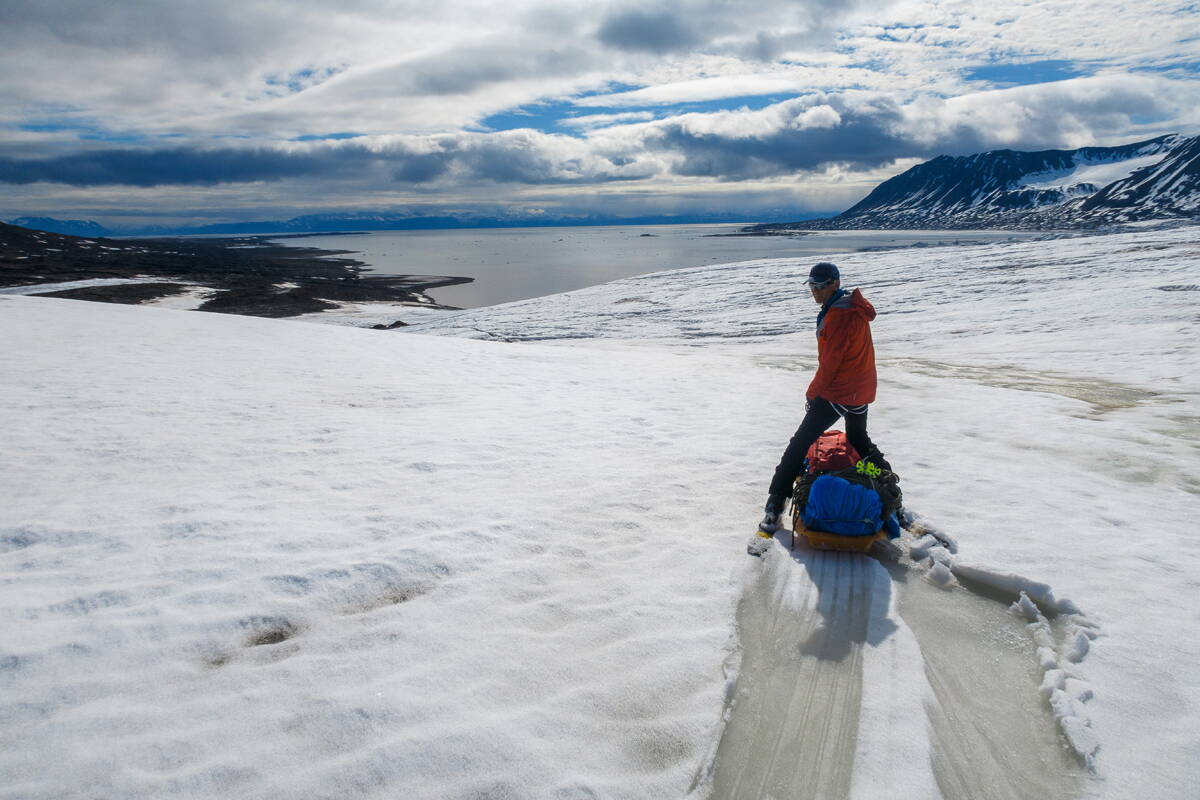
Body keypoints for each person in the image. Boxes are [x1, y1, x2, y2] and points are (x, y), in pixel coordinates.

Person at [758, 261, 891, 535]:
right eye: (812, 285)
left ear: (835, 283)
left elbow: (831, 362)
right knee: (858, 440)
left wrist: (813, 392)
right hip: (860, 389)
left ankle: (775, 501)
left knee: (799, 444)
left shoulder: (840, 315)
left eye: (821, 285)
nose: (815, 291)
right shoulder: (850, 307)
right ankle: (887, 482)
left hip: (839, 390)